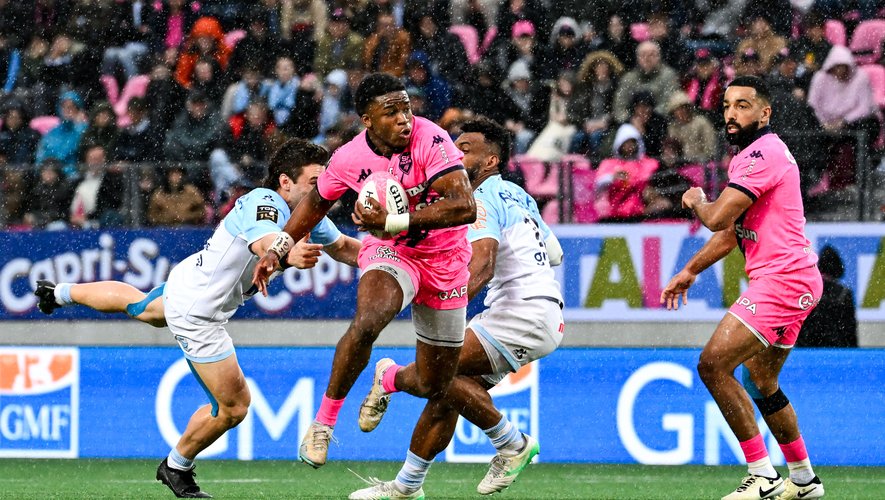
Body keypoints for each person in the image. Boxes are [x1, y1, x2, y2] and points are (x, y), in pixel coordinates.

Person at [33, 139, 361, 499]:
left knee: (140, 307)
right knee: (234, 407)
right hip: (198, 313)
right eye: (314, 182)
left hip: (188, 282)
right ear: (285, 182)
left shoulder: (310, 213)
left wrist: (390, 258)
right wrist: (287, 254)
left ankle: (58, 293)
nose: (323, 191)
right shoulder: (264, 202)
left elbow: (344, 248)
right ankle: (176, 466)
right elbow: (266, 242)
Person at [251, 73, 477, 474]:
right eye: (391, 112)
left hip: (445, 260)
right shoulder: (348, 158)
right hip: (393, 251)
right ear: (367, 120)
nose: (404, 118)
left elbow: (465, 207)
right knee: (370, 318)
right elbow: (315, 203)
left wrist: (394, 221)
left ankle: (388, 378)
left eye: (406, 108)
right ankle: (323, 425)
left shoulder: (431, 138)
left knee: (434, 384)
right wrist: (279, 248)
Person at [349, 117, 565, 499]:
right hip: (539, 311)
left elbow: (482, 266)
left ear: (491, 161)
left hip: (520, 312)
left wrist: (444, 306)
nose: (454, 154)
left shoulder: (479, 199)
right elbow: (556, 253)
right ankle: (407, 487)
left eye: (465, 149)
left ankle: (509, 441)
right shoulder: (520, 195)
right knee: (447, 393)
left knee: (437, 375)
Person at [661, 76, 824, 500]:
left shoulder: (761, 154)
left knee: (712, 365)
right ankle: (804, 480)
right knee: (761, 381)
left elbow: (716, 218)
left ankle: (762, 475)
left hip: (784, 280)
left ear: (765, 113)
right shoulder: (752, 156)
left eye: (743, 105)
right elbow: (732, 232)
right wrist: (691, 270)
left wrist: (696, 200)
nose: (731, 114)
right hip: (794, 278)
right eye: (727, 106)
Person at [797, 245, 858, 348]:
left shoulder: (808, 291)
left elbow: (799, 324)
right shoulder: (844, 293)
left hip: (809, 348)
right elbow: (850, 328)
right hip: (837, 348)